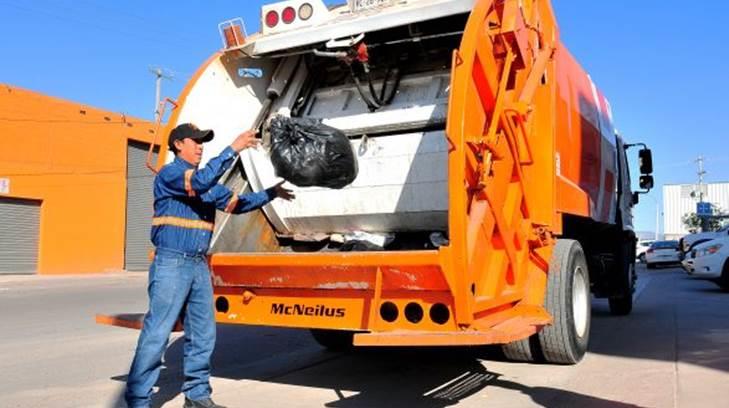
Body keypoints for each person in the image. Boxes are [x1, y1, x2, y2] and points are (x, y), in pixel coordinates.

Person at [125, 123, 294, 408]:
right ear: (179, 144)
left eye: (203, 142)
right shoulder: (171, 174)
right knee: (157, 333)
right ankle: (138, 400)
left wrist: (271, 193)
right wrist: (234, 148)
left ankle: (197, 396)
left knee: (203, 333)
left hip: (197, 265)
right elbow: (200, 182)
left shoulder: (203, 185)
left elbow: (237, 204)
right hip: (172, 261)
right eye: (196, 141)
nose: (201, 146)